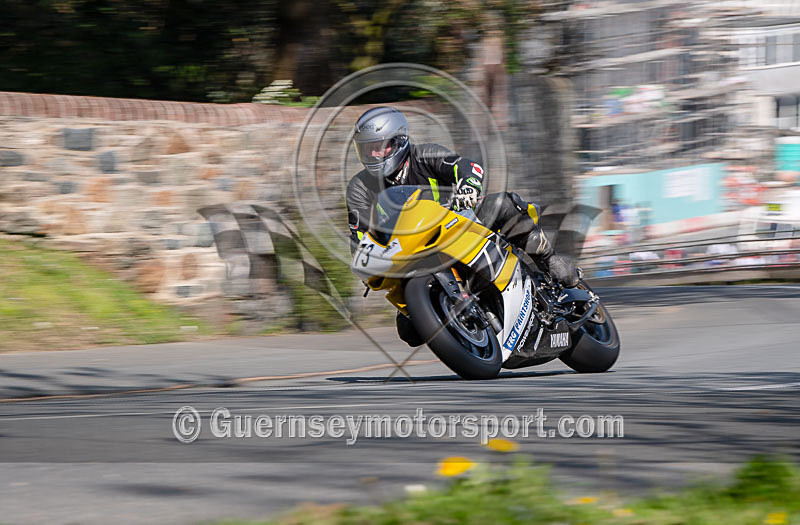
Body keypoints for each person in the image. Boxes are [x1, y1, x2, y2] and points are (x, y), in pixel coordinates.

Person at [346, 106, 579, 346]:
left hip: (461, 220)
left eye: (378, 146)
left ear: (398, 141)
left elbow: (466, 167)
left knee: (502, 204)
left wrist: (468, 186)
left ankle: (549, 261)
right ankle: (465, 329)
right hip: (411, 250)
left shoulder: (425, 155)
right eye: (366, 149)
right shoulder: (359, 188)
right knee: (409, 330)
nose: (373, 154)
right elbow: (359, 235)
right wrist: (366, 260)